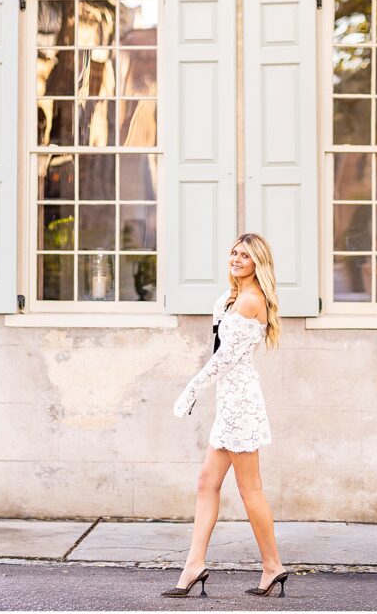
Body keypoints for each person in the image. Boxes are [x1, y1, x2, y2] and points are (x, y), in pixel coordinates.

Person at [163, 233, 288, 599]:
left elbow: (223, 359)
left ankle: (273, 565)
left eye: (245, 256)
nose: (236, 259)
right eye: (234, 252)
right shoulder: (234, 297)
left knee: (251, 490)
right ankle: (194, 564)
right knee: (207, 483)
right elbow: (220, 335)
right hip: (229, 402)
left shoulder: (251, 301)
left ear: (258, 263)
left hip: (241, 404)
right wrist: (228, 294)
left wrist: (190, 390)